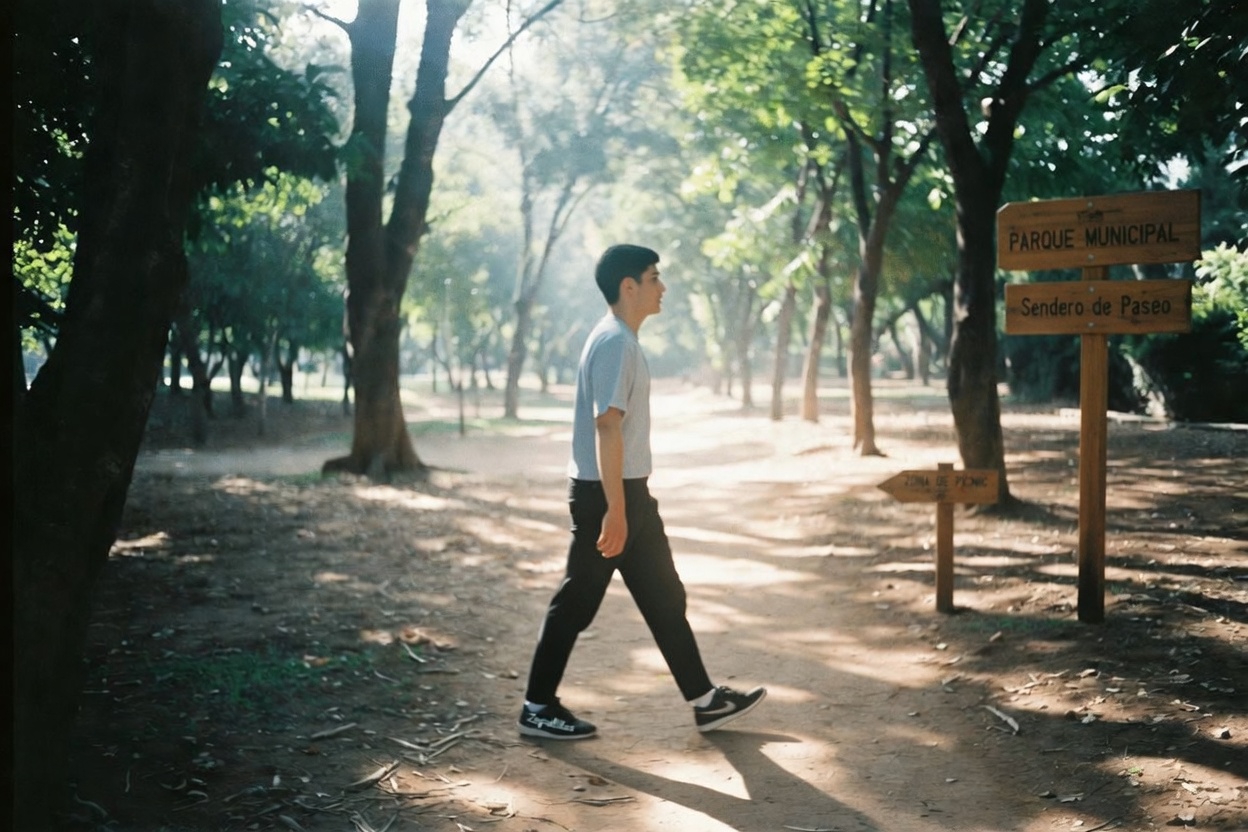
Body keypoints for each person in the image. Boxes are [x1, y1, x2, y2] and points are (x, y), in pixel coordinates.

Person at [518, 243, 766, 740]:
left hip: (628, 493)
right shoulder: (615, 342)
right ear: (628, 287)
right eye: (654, 278)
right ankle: (537, 707)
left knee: (664, 596)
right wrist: (615, 510)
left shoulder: (621, 339)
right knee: (577, 603)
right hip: (607, 496)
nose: (662, 287)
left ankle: (705, 701)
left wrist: (628, 504)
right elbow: (607, 426)